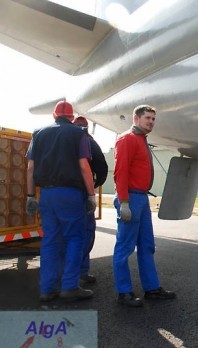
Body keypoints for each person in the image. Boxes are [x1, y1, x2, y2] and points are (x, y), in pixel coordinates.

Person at [25, 100, 97, 302]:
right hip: (70, 193)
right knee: (75, 238)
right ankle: (69, 287)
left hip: (46, 194)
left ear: (54, 116)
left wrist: (31, 196)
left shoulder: (38, 134)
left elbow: (30, 168)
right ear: (72, 118)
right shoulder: (78, 134)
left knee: (50, 240)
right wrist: (91, 195)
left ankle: (47, 289)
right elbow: (84, 166)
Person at [113, 104, 176, 307]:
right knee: (125, 247)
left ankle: (151, 288)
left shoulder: (142, 140)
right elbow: (120, 173)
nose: (151, 122)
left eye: (153, 119)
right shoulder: (126, 139)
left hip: (141, 199)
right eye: (147, 118)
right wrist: (123, 202)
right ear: (136, 118)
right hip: (130, 199)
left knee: (147, 246)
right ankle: (124, 292)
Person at [72, 116, 108, 284]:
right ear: (86, 126)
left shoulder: (61, 138)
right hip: (82, 192)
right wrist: (96, 183)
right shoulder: (87, 140)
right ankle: (80, 271)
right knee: (86, 232)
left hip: (59, 192)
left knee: (64, 234)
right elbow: (101, 164)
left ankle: (64, 273)